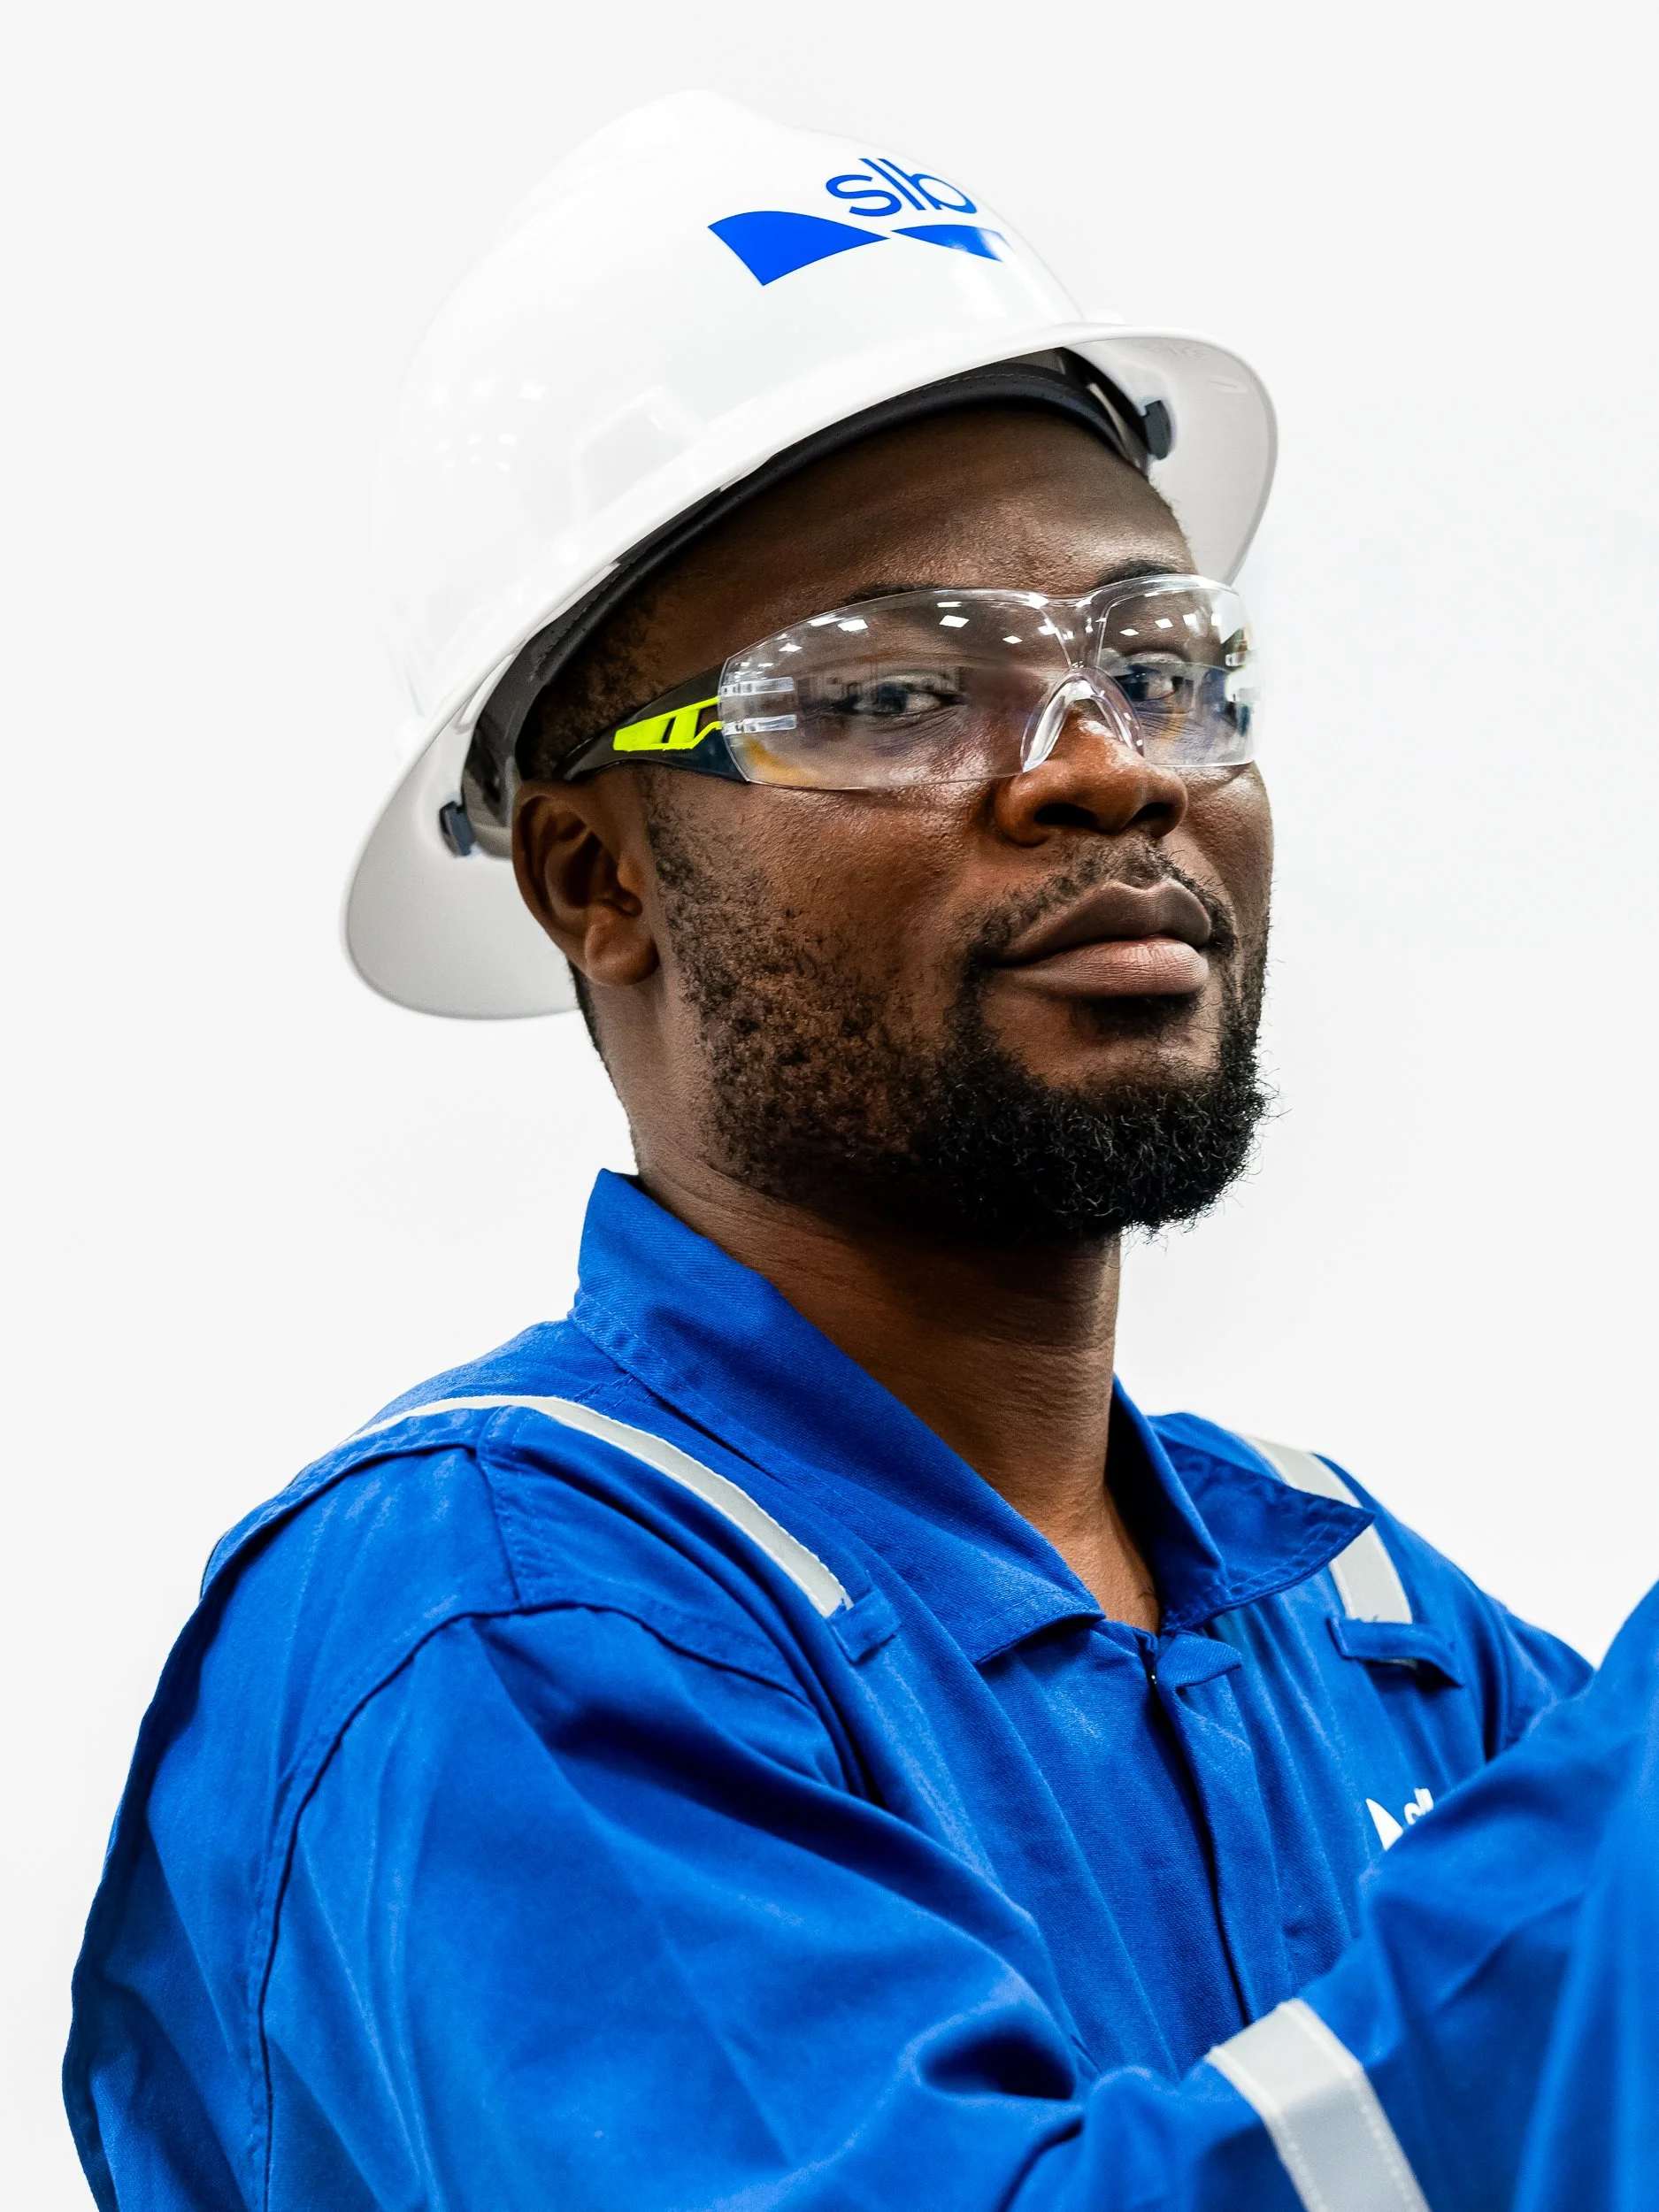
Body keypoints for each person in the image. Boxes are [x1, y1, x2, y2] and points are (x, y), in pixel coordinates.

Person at [64, 94, 1647, 2211]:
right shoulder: (500, 1617)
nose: (1100, 767)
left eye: (1160, 665)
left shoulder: (1358, 1623)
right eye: (897, 691)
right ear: (589, 875)